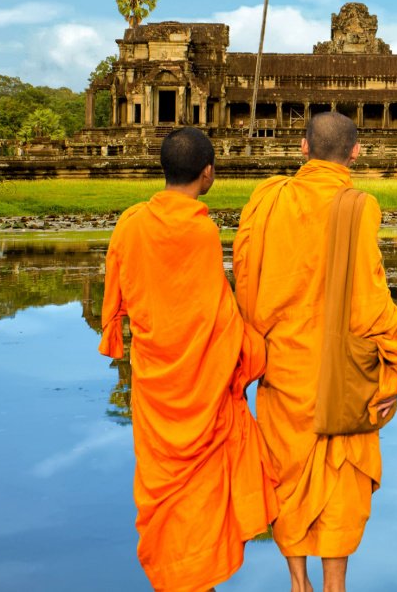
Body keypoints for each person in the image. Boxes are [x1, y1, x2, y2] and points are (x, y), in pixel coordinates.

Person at [234, 112, 397, 592]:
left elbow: (246, 281)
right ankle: (333, 585)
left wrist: (254, 347)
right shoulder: (357, 206)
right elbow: (370, 302)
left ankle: (298, 582)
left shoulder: (267, 201)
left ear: (302, 147)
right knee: (340, 474)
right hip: (341, 376)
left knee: (286, 470)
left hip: (282, 365)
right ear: (355, 152)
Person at [99, 126, 274, 591]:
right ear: (208, 172)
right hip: (202, 387)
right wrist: (255, 349)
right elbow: (219, 316)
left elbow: (117, 299)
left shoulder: (131, 223)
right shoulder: (199, 231)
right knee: (200, 498)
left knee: (167, 498)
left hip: (156, 383)